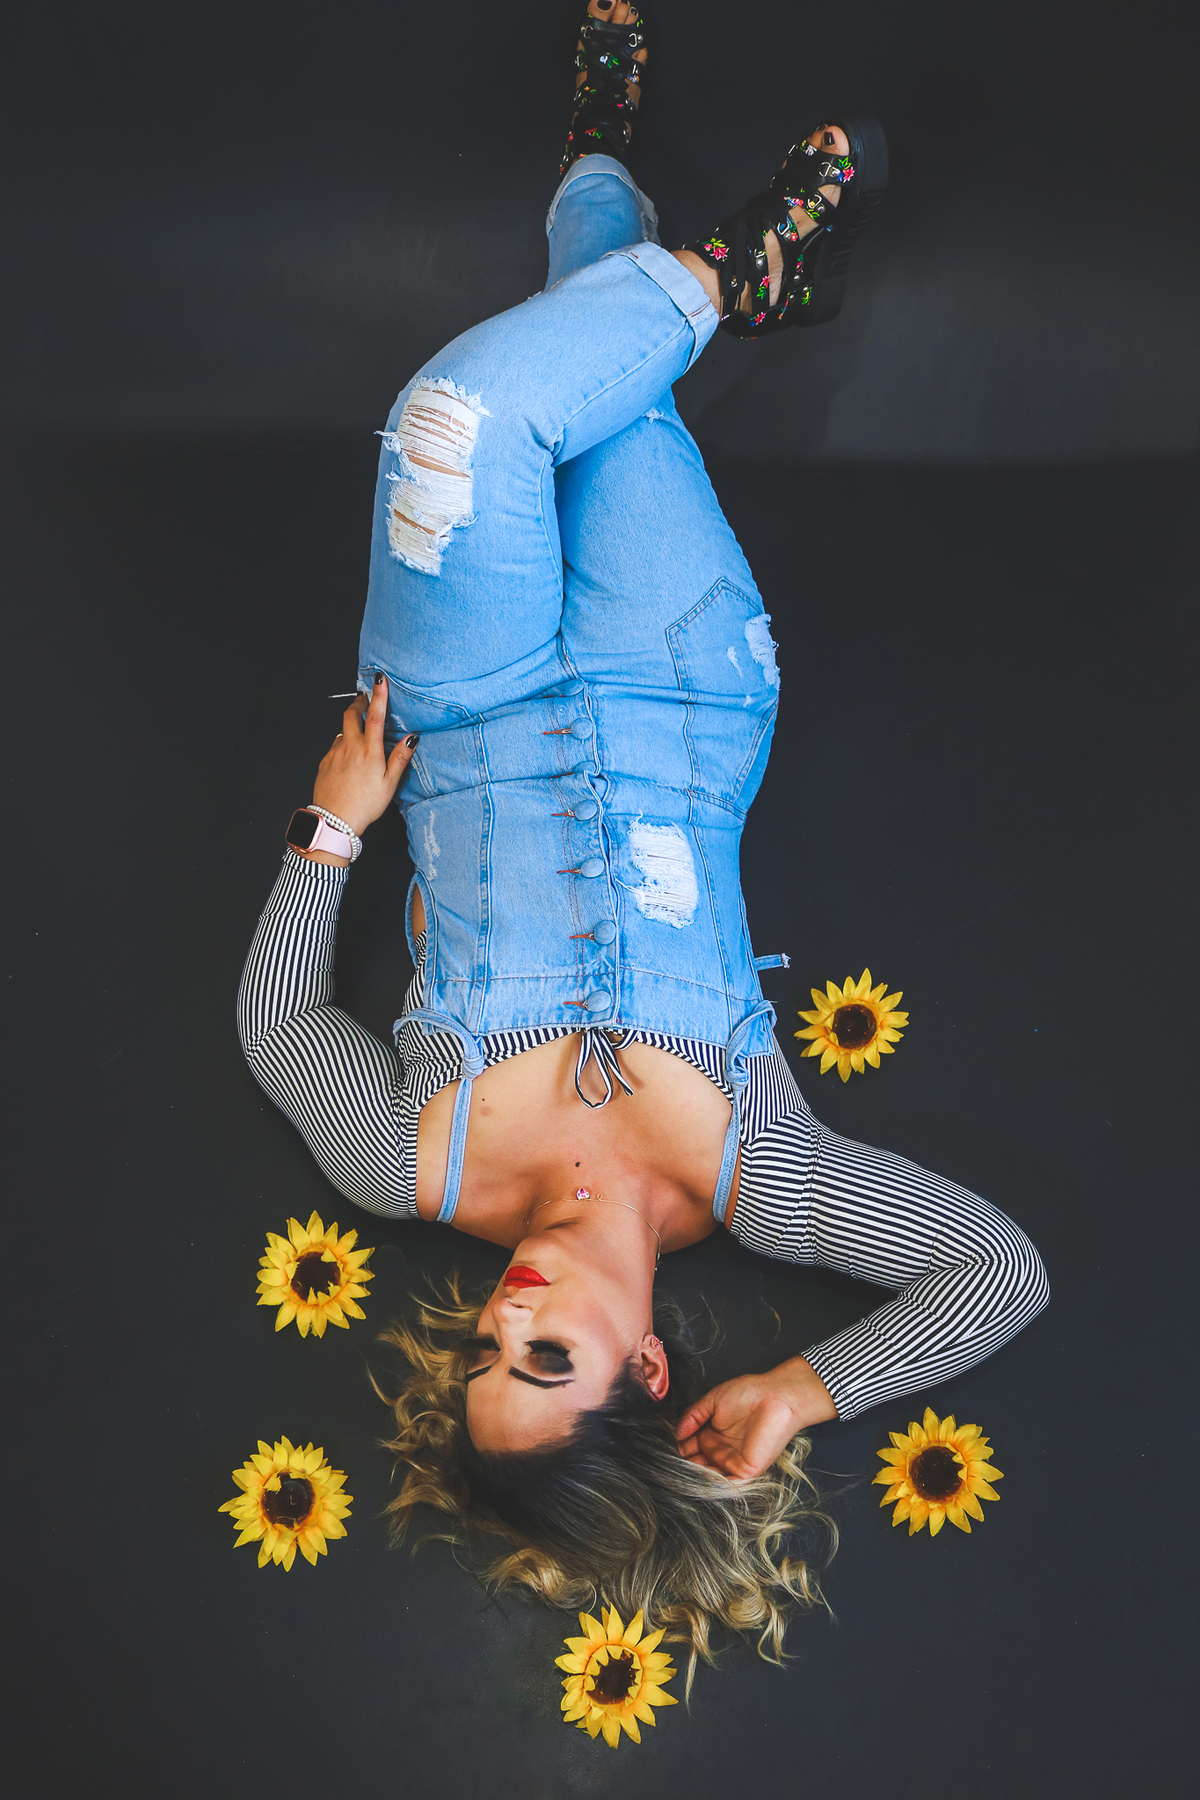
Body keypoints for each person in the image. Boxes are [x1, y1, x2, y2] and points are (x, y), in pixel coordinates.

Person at [238, 3, 1048, 1671]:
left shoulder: (413, 1164)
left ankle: (727, 263)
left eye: (484, 1354)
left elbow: (275, 1027)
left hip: (455, 707)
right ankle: (626, 183)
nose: (512, 1318)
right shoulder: (762, 1177)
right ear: (653, 1372)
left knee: (460, 425)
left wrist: (331, 829)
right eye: (550, 1363)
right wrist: (807, 1388)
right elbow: (999, 1273)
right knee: (598, 364)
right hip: (682, 685)